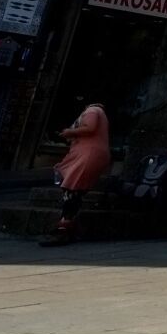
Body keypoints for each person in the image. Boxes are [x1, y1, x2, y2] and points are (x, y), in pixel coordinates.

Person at [41, 94, 112, 246]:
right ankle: (66, 225)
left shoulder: (93, 110)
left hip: (88, 154)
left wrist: (70, 132)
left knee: (71, 190)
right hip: (89, 154)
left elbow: (90, 128)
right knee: (75, 191)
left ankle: (63, 228)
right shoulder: (100, 113)